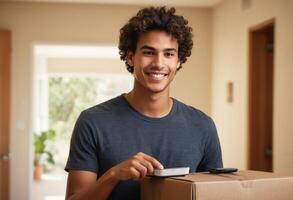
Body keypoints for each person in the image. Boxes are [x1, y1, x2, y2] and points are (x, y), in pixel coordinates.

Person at [65, 6, 222, 200]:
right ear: (131, 57)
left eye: (169, 54)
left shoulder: (203, 126)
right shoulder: (92, 122)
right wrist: (113, 175)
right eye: (149, 52)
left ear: (179, 61)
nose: (158, 63)